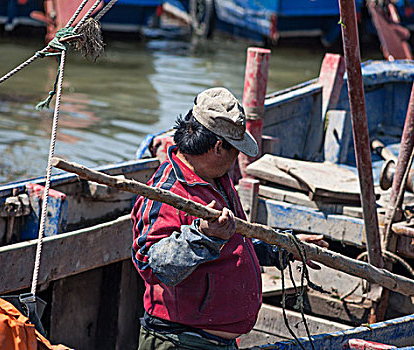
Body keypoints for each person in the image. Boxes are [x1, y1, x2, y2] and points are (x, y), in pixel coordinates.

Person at [130, 87, 327, 349]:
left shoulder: (218, 180)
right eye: (236, 149)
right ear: (218, 147)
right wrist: (203, 235)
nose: (238, 158)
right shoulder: (166, 193)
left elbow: (234, 244)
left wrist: (283, 247)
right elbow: (152, 266)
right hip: (180, 342)